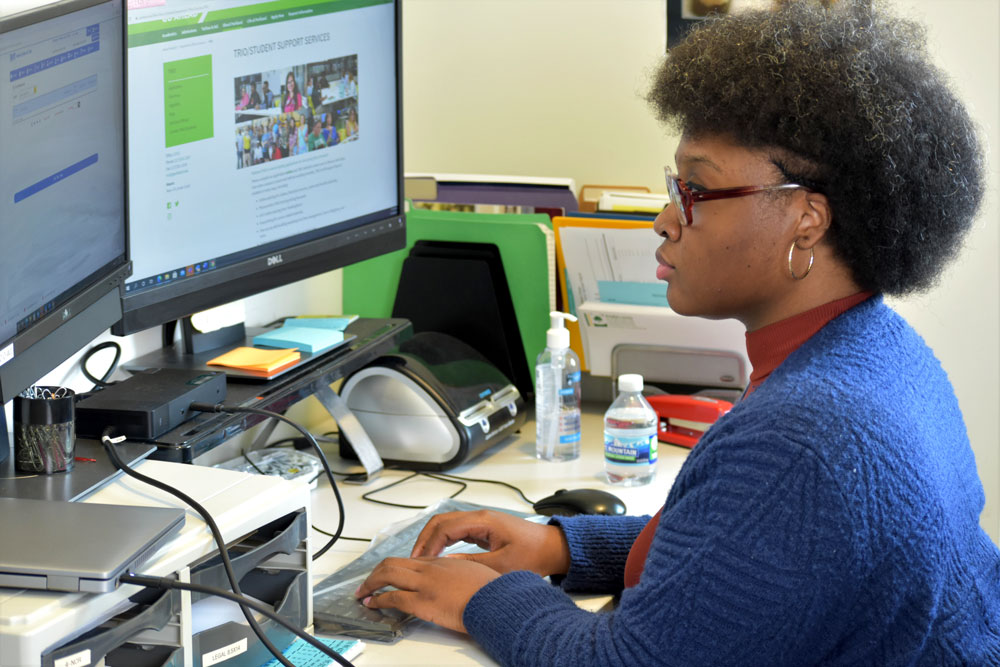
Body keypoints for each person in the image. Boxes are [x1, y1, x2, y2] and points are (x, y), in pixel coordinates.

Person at [355, 1, 1000, 665]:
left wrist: (478, 597)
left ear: (808, 221)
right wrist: (561, 547)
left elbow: (627, 662)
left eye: (695, 189)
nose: (665, 219)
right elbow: (745, 559)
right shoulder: (877, 349)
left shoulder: (804, 434)